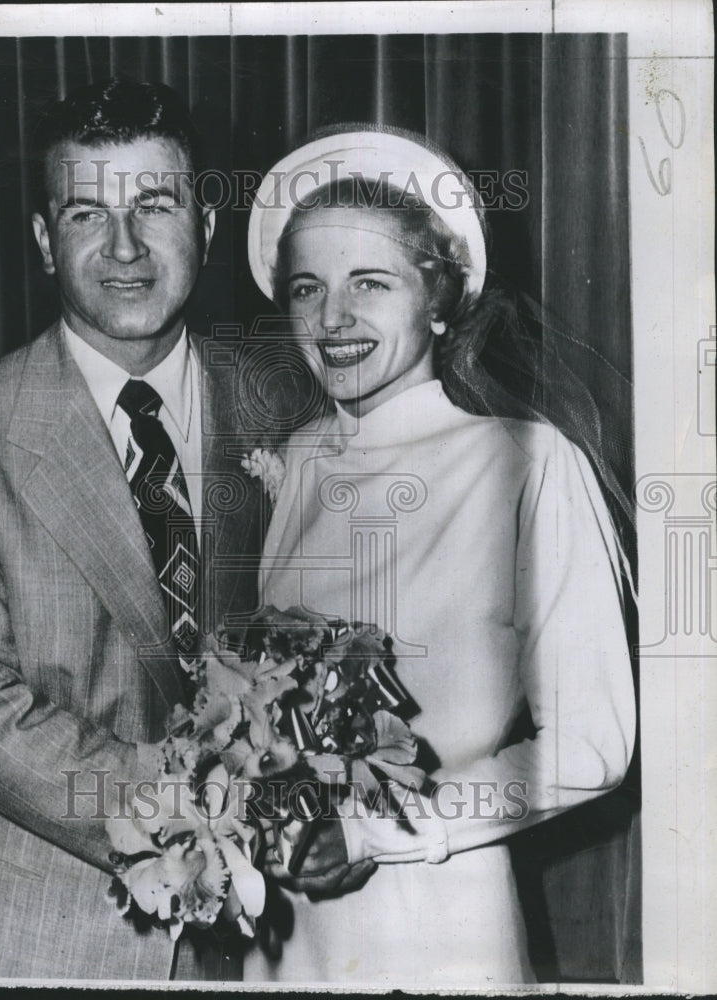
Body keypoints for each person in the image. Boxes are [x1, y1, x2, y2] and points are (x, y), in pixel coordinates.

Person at [0, 79, 286, 980]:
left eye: (154, 205)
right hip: (39, 931)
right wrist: (204, 810)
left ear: (206, 231)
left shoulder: (284, 407)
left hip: (262, 938)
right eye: (86, 212)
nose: (125, 247)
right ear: (42, 241)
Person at [240, 126, 636, 985]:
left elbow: (592, 746)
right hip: (286, 931)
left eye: (370, 284)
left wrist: (379, 831)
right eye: (306, 288)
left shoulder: (525, 461)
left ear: (439, 298)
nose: (333, 318)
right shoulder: (301, 457)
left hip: (439, 918)